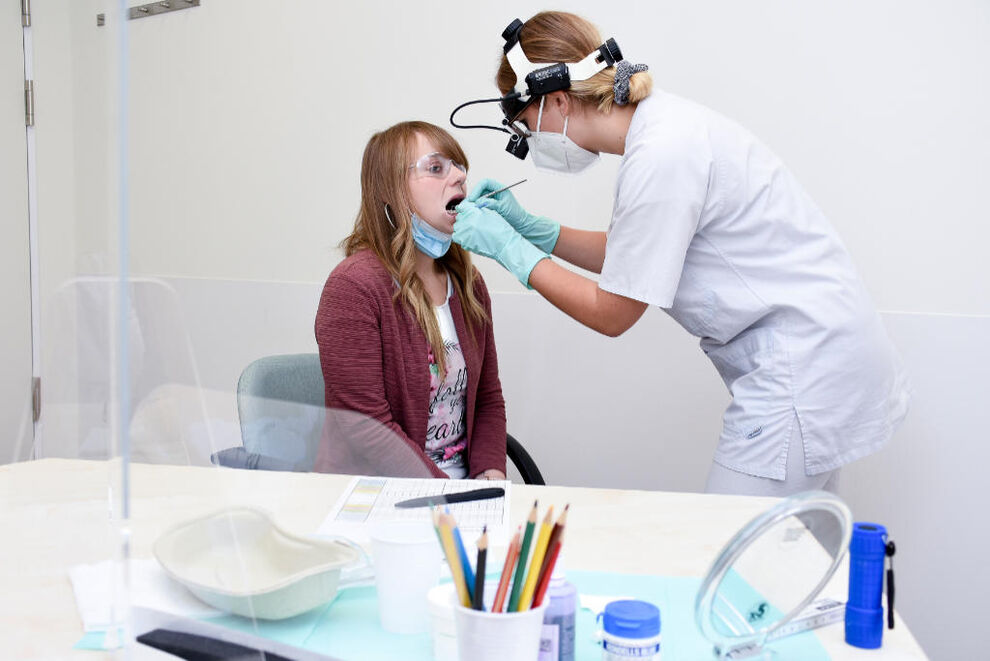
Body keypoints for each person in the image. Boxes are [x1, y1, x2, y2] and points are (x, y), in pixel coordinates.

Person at [451, 11, 909, 496]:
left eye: (526, 124)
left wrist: (510, 250)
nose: (530, 141)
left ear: (559, 99)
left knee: (733, 558)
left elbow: (613, 313)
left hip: (803, 370)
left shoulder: (662, 154)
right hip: (821, 356)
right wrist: (535, 229)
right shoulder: (663, 131)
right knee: (788, 555)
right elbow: (636, 254)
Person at [314, 121, 506, 480]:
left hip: (461, 495)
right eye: (436, 168)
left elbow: (488, 399)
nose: (460, 177)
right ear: (393, 191)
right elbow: (366, 427)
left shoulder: (469, 285)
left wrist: (490, 474)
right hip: (382, 495)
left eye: (459, 166)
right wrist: (449, 494)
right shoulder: (354, 288)